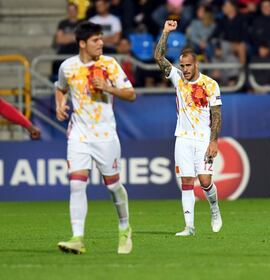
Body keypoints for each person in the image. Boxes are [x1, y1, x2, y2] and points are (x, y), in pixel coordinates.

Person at [55, 21, 136, 254]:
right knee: (76, 185)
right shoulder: (67, 67)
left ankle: (124, 228)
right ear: (82, 43)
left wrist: (109, 89)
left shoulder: (110, 64)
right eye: (96, 40)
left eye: (101, 38)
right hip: (78, 135)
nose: (101, 43)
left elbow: (131, 94)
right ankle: (77, 238)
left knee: (113, 187)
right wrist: (60, 105)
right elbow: (60, 88)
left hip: (105, 136)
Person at [154, 20, 223, 236]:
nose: (184, 70)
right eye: (182, 66)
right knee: (186, 181)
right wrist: (165, 32)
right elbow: (158, 57)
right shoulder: (177, 79)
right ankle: (189, 227)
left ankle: (214, 209)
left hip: (203, 139)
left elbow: (216, 115)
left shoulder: (210, 84)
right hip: (182, 138)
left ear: (196, 65)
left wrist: (214, 141)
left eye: (188, 66)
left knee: (204, 181)